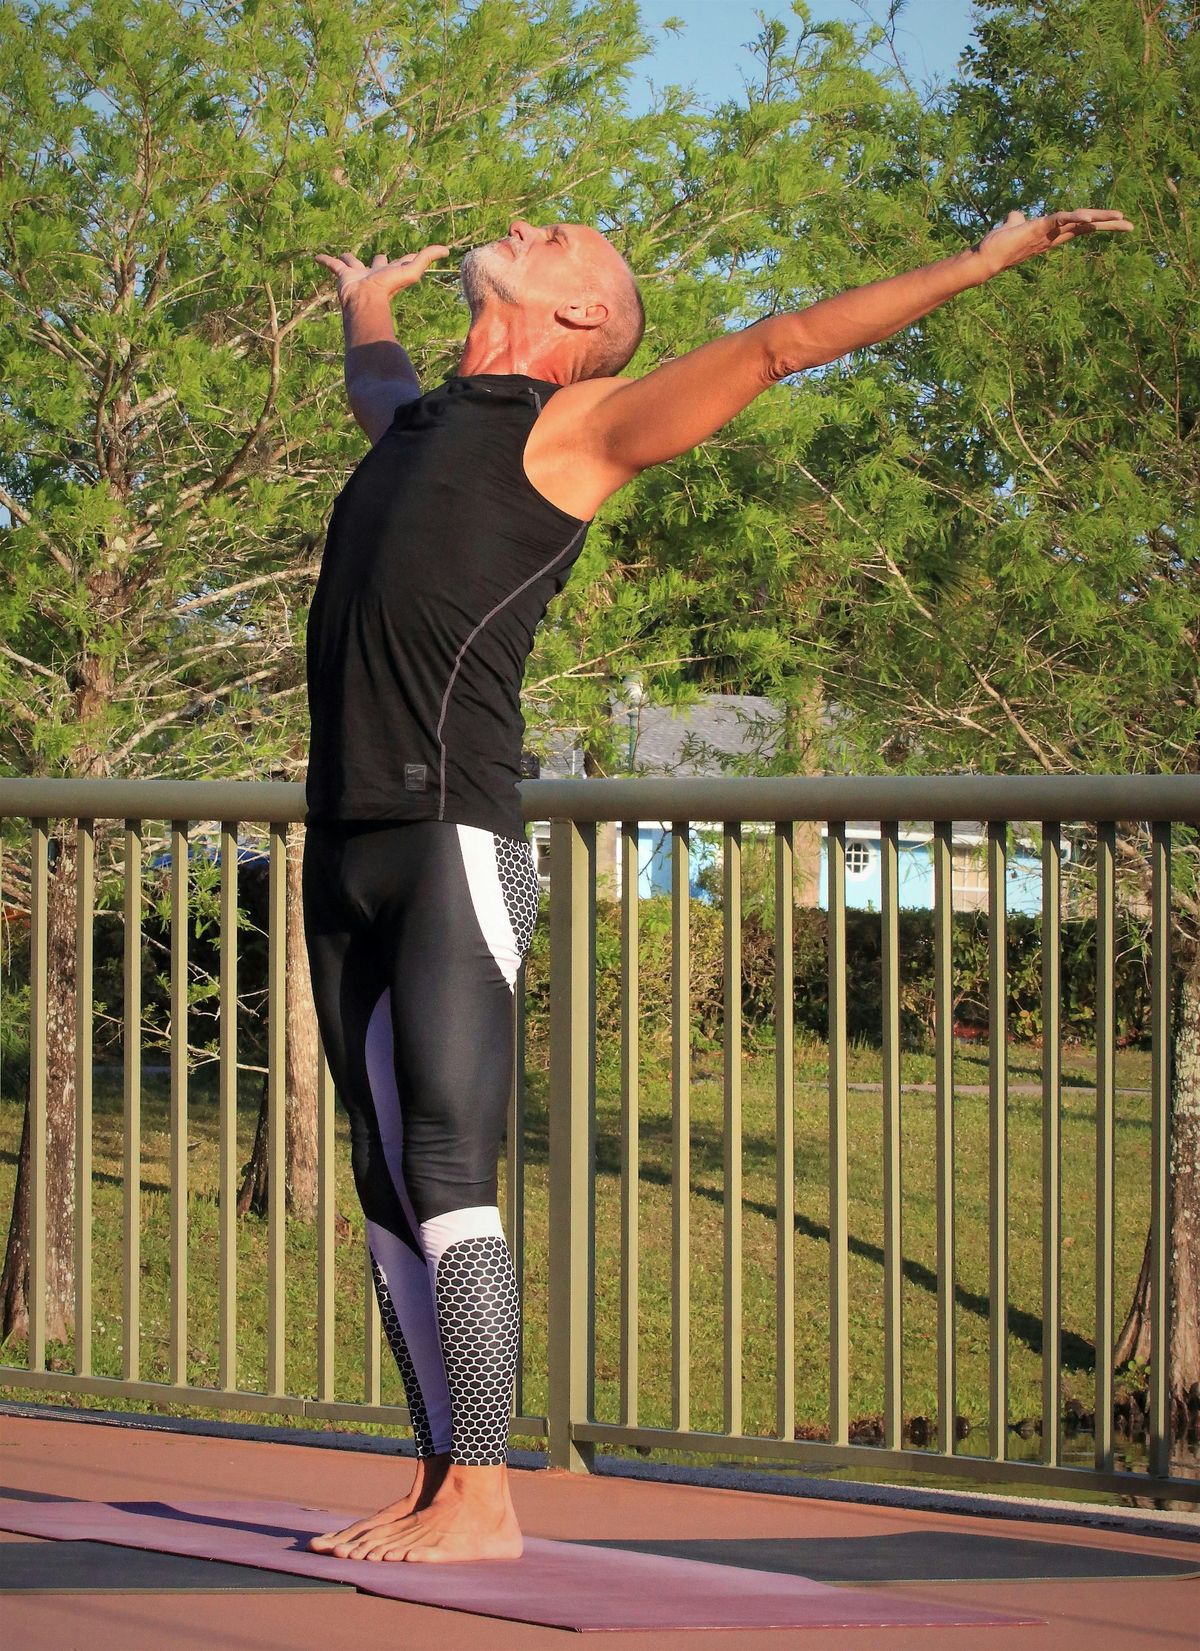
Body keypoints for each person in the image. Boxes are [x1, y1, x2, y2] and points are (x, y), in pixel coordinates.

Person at [301, 204, 1132, 1564]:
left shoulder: (575, 431)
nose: (540, 223)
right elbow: (377, 383)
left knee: (449, 1163)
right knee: (386, 1181)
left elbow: (783, 343)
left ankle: (491, 1494)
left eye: (571, 241)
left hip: (455, 840)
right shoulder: (413, 431)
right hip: (343, 839)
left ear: (587, 326)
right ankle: (439, 1474)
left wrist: (979, 265)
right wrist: (365, 301)